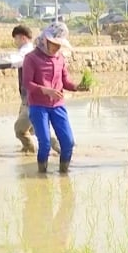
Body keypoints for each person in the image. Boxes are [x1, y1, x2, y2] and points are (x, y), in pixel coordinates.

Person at [22, 22, 89, 174]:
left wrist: (78, 87)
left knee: (68, 142)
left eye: (59, 45)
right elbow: (27, 83)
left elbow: (65, 81)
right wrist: (46, 90)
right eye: (54, 44)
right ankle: (42, 174)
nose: (56, 48)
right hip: (38, 106)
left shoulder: (60, 59)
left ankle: (64, 173)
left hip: (58, 105)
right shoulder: (31, 58)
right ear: (45, 40)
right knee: (45, 143)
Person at [9, 25, 59, 155]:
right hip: (30, 99)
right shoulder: (35, 51)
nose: (15, 42)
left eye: (16, 39)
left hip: (31, 100)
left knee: (21, 129)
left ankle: (55, 149)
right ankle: (30, 150)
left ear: (23, 38)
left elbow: (16, 60)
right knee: (33, 129)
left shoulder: (27, 53)